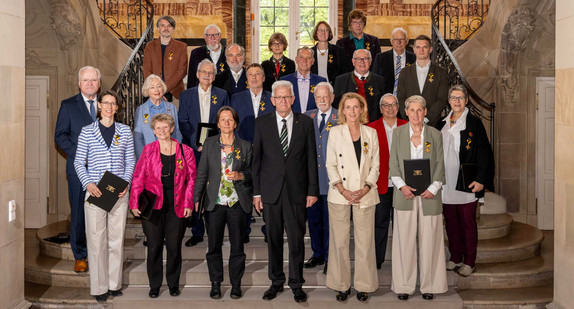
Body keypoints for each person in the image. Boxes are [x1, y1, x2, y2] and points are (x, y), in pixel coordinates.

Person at [252, 80, 319, 303]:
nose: (283, 101)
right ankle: (276, 282)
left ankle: (297, 283)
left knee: (297, 240)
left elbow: (311, 159)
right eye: (278, 97)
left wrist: (312, 191)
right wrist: (257, 193)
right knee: (273, 239)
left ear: (293, 99)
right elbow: (257, 160)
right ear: (272, 101)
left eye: (286, 97)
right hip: (270, 193)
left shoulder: (305, 123)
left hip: (297, 193)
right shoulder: (262, 123)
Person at [74, 90, 135, 302]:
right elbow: (78, 162)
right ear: (99, 105)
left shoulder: (125, 131)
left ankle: (114, 284)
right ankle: (99, 287)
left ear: (117, 108)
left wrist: (126, 182)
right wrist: (88, 183)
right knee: (96, 240)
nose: (109, 107)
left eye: (113, 104)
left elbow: (131, 161)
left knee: (116, 240)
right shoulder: (87, 131)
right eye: (105, 103)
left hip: (118, 192)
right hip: (96, 192)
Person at [129, 114, 196, 298]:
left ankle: (173, 284)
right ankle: (155, 285)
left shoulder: (186, 151)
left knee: (174, 246)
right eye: (158, 128)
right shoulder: (148, 150)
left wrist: (189, 202)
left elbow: (192, 180)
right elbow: (138, 177)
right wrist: (134, 201)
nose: (162, 131)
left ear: (172, 128)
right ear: (153, 131)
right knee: (154, 246)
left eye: (165, 127)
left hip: (178, 204)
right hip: (152, 206)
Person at [389, 95, 447, 301]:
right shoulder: (398, 133)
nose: (415, 114)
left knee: (430, 241)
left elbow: (440, 164)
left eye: (419, 110)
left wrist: (433, 187)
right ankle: (404, 285)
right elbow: (393, 163)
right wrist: (402, 186)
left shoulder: (435, 134)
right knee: (404, 241)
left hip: (430, 196)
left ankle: (429, 284)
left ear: (425, 112)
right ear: (406, 112)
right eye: (411, 110)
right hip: (404, 195)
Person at [325, 92, 380, 302]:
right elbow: (330, 164)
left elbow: (376, 164)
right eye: (348, 107)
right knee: (339, 242)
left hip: (365, 194)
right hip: (340, 194)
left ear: (362, 109)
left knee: (365, 243)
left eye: (356, 107)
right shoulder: (335, 132)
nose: (352, 111)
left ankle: (364, 285)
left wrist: (365, 188)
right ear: (342, 111)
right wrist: (342, 189)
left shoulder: (370, 133)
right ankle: (341, 285)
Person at [194, 106, 253, 300]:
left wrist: (241, 175)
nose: (226, 123)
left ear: (235, 123)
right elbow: (202, 173)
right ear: (217, 124)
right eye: (222, 119)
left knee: (237, 247)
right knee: (213, 246)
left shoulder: (245, 146)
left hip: (237, 203)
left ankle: (236, 284)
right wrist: (196, 198)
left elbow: (253, 173)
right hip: (214, 203)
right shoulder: (209, 144)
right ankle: (216, 283)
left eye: (230, 119)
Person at [438, 85, 495, 277]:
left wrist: (481, 180)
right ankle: (455, 256)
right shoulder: (442, 124)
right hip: (446, 185)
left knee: (467, 224)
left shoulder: (474, 123)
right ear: (448, 100)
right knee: (451, 224)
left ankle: (469, 260)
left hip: (467, 184)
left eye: (460, 97)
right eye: (453, 97)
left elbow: (485, 154)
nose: (457, 101)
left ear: (467, 100)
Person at [54, 66, 101, 273]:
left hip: (104, 171)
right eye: (86, 80)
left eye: (93, 80)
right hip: (78, 170)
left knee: (101, 212)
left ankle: (100, 254)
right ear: (79, 83)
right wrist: (82, 154)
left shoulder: (108, 104)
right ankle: (80, 256)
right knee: (80, 214)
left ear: (99, 83)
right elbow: (60, 136)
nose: (90, 83)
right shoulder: (68, 105)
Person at [179, 59, 229, 247]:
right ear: (197, 74)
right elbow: (183, 121)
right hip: (194, 150)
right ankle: (197, 231)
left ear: (214, 77)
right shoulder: (186, 95)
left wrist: (215, 143)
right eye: (203, 72)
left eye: (210, 73)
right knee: (196, 189)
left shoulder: (222, 95)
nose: (206, 75)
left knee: (214, 188)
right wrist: (196, 142)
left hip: (216, 149)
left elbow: (226, 119)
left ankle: (215, 231)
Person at [367, 93, 408, 269]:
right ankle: (377, 259)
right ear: (380, 108)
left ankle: (403, 260)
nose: (390, 108)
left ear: (398, 107)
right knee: (379, 224)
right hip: (380, 184)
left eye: (393, 105)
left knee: (402, 226)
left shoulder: (408, 126)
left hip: (404, 186)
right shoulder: (370, 128)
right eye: (386, 105)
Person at [303, 82, 338, 274]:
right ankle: (317, 253)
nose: (322, 100)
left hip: (333, 181)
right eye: (318, 97)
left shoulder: (340, 117)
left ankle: (329, 258)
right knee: (314, 220)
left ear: (332, 97)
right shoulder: (307, 117)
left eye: (325, 97)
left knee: (331, 221)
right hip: (312, 181)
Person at [396, 35, 448, 127]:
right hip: (410, 123)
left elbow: (442, 99)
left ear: (430, 49)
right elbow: (401, 97)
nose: (421, 50)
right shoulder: (404, 72)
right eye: (418, 47)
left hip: (432, 123)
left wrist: (427, 118)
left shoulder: (441, 72)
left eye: (425, 47)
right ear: (414, 50)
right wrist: (410, 117)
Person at [134, 74, 182, 160]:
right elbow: (138, 138)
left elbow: (177, 131)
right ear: (147, 91)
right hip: (149, 156)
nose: (156, 90)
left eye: (159, 86)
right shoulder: (140, 110)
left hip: (169, 154)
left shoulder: (171, 108)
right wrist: (143, 159)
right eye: (152, 87)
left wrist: (175, 150)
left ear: (163, 88)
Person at [143, 16, 188, 102]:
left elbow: (182, 71)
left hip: (175, 93)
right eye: (162, 25)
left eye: (169, 26)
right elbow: (147, 70)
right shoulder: (150, 46)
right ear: (158, 28)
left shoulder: (181, 46)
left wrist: (163, 89)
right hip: (154, 93)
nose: (166, 28)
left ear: (173, 28)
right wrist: (156, 89)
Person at [333, 49, 385, 122]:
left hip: (373, 125)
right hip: (348, 125)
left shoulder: (380, 81)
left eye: (366, 59)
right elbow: (336, 105)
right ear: (353, 62)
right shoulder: (341, 80)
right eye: (358, 59)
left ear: (370, 61)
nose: (362, 62)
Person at [231, 63, 275, 143]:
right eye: (250, 74)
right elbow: (232, 124)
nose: (254, 77)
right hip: (243, 146)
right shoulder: (236, 99)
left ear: (263, 78)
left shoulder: (273, 98)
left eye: (257, 74)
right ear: (247, 78)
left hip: (268, 146)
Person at [280, 47, 327, 113]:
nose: (305, 61)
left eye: (308, 58)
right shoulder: (284, 81)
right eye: (301, 57)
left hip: (313, 121)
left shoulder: (321, 81)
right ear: (296, 60)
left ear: (313, 61)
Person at [372, 27, 416, 96]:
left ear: (407, 41)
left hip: (408, 101)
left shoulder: (414, 59)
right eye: (396, 39)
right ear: (391, 41)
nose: (399, 42)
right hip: (386, 101)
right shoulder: (380, 58)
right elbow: (374, 81)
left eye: (401, 39)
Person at [187, 24, 226, 89]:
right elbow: (192, 78)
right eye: (209, 35)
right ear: (205, 38)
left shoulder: (228, 53)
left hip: (224, 94)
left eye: (215, 35)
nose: (212, 38)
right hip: (202, 93)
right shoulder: (196, 53)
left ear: (220, 36)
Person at [311, 21, 346, 87]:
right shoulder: (310, 52)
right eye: (320, 30)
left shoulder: (338, 51)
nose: (323, 33)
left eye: (326, 30)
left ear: (329, 33)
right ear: (316, 33)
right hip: (314, 89)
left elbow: (344, 73)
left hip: (334, 89)